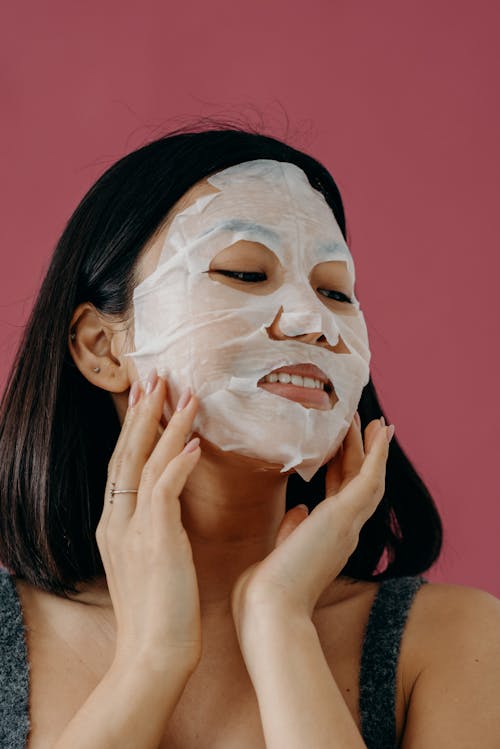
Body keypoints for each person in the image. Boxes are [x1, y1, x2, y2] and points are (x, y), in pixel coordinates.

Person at [0, 127, 498, 749]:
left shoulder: (454, 642)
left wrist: (280, 623)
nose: (314, 321)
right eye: (244, 272)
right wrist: (151, 662)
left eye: (335, 290)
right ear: (103, 347)